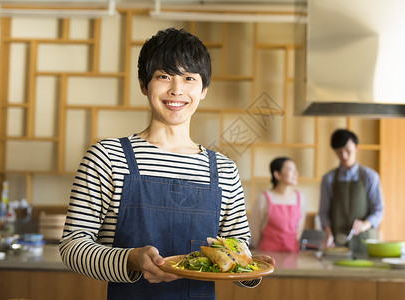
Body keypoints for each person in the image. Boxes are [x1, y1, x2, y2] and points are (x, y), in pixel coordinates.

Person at [59, 27, 274, 300]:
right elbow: (72, 246)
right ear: (144, 84)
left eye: (189, 78)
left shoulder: (224, 170)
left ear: (204, 89)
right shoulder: (107, 157)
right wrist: (131, 260)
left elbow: (239, 249)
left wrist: (249, 269)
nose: (177, 90)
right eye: (164, 76)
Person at [318, 129, 384, 253]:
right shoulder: (329, 179)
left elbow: (378, 210)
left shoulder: (370, 176)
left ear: (356, 148)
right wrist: (329, 233)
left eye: (348, 151)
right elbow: (323, 212)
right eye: (339, 152)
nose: (344, 156)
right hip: (337, 244)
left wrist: (365, 224)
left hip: (366, 242)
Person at [249, 157, 306, 252]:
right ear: (277, 174)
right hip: (267, 253)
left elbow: (299, 228)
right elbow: (254, 229)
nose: (296, 173)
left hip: (292, 253)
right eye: (290, 170)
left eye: (296, 170)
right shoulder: (264, 198)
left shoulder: (300, 197)